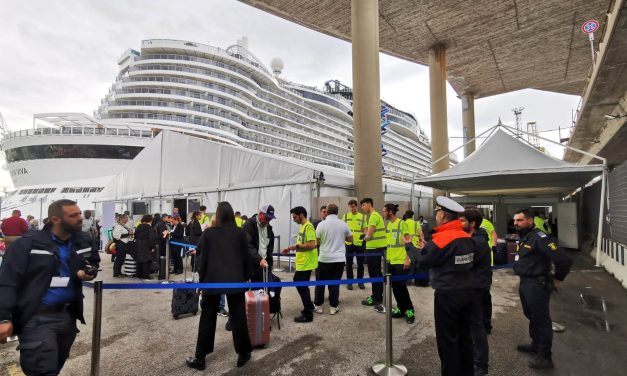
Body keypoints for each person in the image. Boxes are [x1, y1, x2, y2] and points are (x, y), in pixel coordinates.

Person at [0, 199, 99, 375]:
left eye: (80, 213)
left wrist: (87, 272)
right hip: (36, 317)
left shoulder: (83, 240)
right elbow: (7, 281)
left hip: (68, 316)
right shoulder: (27, 244)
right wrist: (3, 317)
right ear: (55, 219)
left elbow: (92, 262)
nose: (80, 218)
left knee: (56, 364)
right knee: (42, 369)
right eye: (73, 215)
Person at [405, 196, 477, 376]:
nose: (436, 215)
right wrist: (429, 248)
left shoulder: (442, 239)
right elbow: (450, 256)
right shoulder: (465, 235)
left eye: (437, 212)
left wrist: (409, 247)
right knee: (465, 338)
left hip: (448, 295)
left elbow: (422, 262)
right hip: (468, 291)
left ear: (443, 214)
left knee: (448, 341)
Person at [185, 202, 253, 370]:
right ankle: (243, 354)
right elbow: (247, 258)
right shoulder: (240, 233)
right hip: (235, 281)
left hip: (212, 280)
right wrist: (247, 277)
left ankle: (200, 358)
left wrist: (201, 282)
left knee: (207, 318)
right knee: (238, 317)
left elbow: (203, 261)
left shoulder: (208, 234)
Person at [513, 208, 572, 370]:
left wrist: (558, 279)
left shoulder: (540, 238)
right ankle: (536, 345)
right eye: (515, 221)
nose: (515, 223)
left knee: (541, 319)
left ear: (530, 221)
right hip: (526, 282)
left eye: (520, 220)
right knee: (531, 315)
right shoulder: (526, 237)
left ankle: (545, 357)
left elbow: (564, 260)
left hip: (536, 284)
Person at [460, 208, 492, 376]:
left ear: (472, 224)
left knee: (476, 327)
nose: (460, 224)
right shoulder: (475, 238)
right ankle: (473, 358)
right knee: (472, 326)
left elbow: (460, 263)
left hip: (475, 289)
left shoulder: (476, 243)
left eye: (463, 221)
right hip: (474, 286)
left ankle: (481, 365)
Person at [314, 204, 352, 315]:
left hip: (323, 258)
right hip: (339, 259)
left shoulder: (321, 225)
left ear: (328, 212)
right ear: (337, 212)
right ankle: (333, 307)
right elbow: (351, 238)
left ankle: (319, 306)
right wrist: (341, 238)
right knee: (334, 284)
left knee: (320, 283)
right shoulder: (343, 224)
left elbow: (317, 240)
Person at [282, 206, 318, 323]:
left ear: (301, 215)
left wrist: (296, 246)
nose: (293, 219)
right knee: (302, 285)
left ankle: (308, 314)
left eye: (295, 217)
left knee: (300, 284)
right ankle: (309, 307)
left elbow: (312, 244)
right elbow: (303, 244)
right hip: (303, 262)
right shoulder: (303, 227)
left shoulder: (308, 227)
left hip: (307, 263)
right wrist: (291, 248)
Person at [383, 204, 415, 324]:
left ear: (390, 212)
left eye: (385, 211)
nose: (383, 213)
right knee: (395, 287)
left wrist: (407, 259)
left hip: (401, 261)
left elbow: (408, 241)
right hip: (391, 260)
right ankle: (401, 308)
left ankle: (409, 310)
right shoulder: (390, 224)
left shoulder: (402, 224)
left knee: (401, 287)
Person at [360, 198, 386, 313]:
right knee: (376, 273)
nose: (363, 207)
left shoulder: (373, 216)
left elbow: (369, 235)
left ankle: (376, 298)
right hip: (376, 249)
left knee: (374, 274)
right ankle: (378, 296)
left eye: (364, 205)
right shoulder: (375, 216)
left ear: (370, 204)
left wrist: (363, 238)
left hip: (374, 249)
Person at [242, 205, 275, 282]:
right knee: (252, 291)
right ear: (260, 214)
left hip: (264, 265)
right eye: (267, 218)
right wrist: (259, 259)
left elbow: (269, 248)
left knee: (265, 291)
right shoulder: (248, 225)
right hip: (252, 266)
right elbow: (248, 245)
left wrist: (270, 265)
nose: (268, 221)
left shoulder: (269, 228)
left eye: (270, 219)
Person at [342, 199, 365, 290]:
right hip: (349, 243)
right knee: (348, 264)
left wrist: (364, 237)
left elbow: (365, 229)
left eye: (353, 206)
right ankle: (349, 282)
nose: (352, 208)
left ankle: (360, 281)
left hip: (359, 243)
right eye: (350, 206)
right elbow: (343, 228)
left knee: (360, 264)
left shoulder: (362, 217)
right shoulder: (346, 216)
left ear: (356, 206)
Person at [403, 210, 428, 287]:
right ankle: (418, 281)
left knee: (408, 263)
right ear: (412, 216)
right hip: (416, 244)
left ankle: (408, 280)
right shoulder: (416, 223)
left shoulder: (403, 223)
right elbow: (421, 234)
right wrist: (422, 243)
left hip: (407, 244)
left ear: (406, 216)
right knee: (416, 263)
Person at [134, 215, 155, 280]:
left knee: (139, 260)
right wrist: (152, 247)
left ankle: (139, 274)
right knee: (146, 260)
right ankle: (146, 275)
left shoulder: (139, 226)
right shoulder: (149, 227)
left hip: (138, 244)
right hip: (146, 245)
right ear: (150, 220)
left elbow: (135, 235)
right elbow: (151, 238)